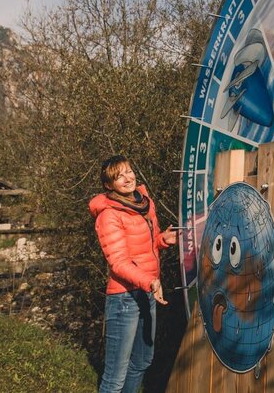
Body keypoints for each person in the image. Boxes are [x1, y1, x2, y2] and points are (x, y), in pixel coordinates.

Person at [89, 155, 177, 393]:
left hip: (147, 292)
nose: (127, 178)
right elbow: (118, 263)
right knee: (115, 375)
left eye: (129, 171)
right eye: (119, 176)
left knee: (142, 362)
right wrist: (150, 281)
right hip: (124, 299)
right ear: (109, 185)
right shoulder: (109, 214)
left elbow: (146, 246)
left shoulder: (144, 203)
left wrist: (163, 240)